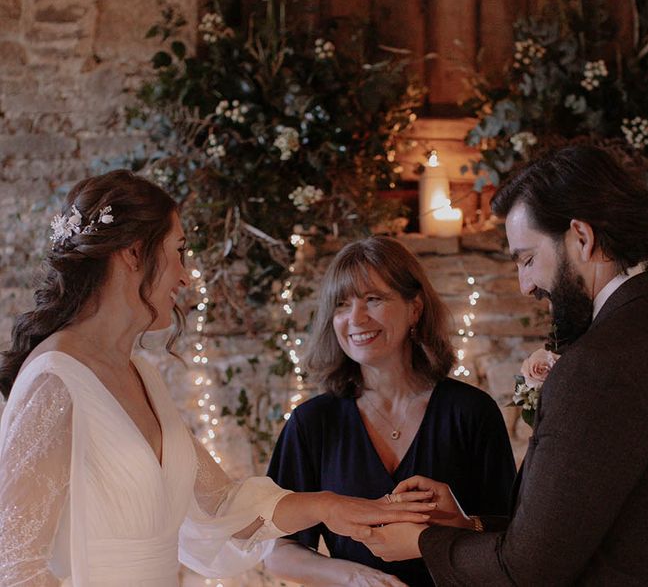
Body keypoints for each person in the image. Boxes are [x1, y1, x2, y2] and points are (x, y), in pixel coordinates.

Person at [0, 171, 434, 586]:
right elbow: (16, 562)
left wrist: (328, 505)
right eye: (179, 251)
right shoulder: (53, 379)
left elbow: (222, 507)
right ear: (134, 253)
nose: (186, 276)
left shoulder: (141, 375)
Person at [363, 145, 648, 586]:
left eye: (527, 258)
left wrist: (421, 541)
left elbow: (527, 570)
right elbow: (577, 532)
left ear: (581, 237)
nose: (526, 285)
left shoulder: (601, 367)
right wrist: (466, 524)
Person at [264, 236, 516, 586]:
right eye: (341, 304)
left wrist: (460, 523)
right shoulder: (312, 423)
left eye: (373, 299)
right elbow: (277, 550)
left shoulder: (472, 412)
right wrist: (355, 578)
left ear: (415, 308)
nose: (356, 318)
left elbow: (510, 541)